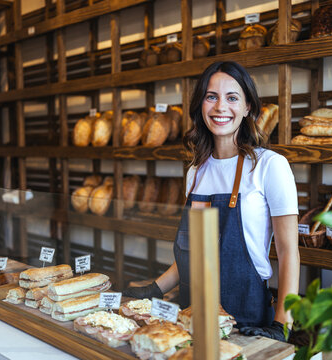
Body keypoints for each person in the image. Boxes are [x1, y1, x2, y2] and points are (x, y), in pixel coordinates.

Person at [123, 61, 299, 341]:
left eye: (232, 98)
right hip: (191, 317)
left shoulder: (270, 166)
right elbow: (197, 252)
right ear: (201, 105)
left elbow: (289, 252)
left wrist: (281, 324)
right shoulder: (196, 172)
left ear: (248, 107)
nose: (220, 107)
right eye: (211, 96)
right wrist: (155, 288)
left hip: (248, 320)